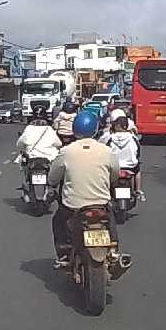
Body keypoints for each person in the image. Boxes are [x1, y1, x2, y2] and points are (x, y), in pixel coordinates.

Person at [46, 111, 118, 268]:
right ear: (95, 129)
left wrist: (52, 184)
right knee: (110, 215)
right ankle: (114, 249)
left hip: (73, 206)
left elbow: (53, 178)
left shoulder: (66, 151)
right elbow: (115, 174)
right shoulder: (106, 151)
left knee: (58, 220)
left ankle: (64, 254)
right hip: (101, 204)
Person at [15, 107, 63, 202]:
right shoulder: (49, 129)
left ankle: (26, 184)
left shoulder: (28, 129)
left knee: (23, 163)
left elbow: (19, 144)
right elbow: (59, 144)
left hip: (31, 159)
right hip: (48, 160)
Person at [100, 115, 143, 201]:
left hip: (113, 167)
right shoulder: (133, 137)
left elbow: (101, 146)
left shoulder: (109, 137)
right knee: (137, 170)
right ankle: (138, 191)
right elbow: (137, 152)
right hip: (130, 167)